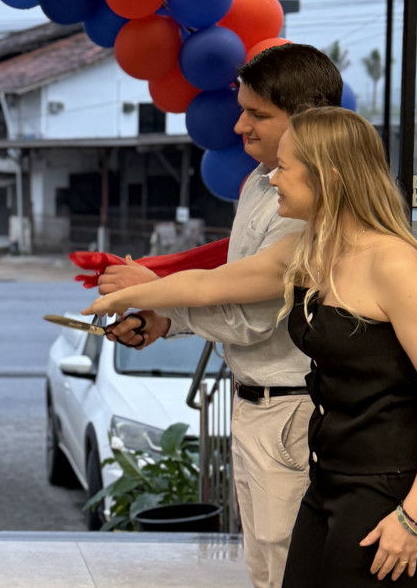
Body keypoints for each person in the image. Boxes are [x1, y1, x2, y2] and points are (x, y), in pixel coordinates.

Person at [85, 107, 417, 585]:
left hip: (388, 490)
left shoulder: (395, 265)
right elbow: (210, 287)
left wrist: (414, 517)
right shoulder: (311, 250)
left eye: (284, 167)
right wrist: (128, 296)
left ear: (328, 178)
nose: (272, 180)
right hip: (328, 479)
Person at [97, 43, 342, 588]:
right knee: (261, 563)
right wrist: (165, 318)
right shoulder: (262, 182)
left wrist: (156, 292)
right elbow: (230, 294)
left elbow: (253, 315)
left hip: (293, 410)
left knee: (284, 566)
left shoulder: (313, 200)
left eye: (257, 114)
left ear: (307, 121)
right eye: (242, 109)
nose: (239, 127)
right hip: (253, 400)